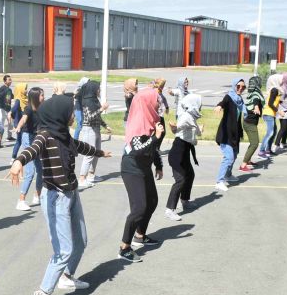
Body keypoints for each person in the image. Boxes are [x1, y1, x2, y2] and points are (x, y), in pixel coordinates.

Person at [9, 94, 111, 295]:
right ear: (59, 114)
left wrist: (100, 152)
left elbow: (80, 146)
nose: (73, 115)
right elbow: (32, 149)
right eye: (70, 112)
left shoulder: (64, 135)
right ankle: (42, 293)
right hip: (55, 197)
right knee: (64, 249)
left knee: (81, 241)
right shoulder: (45, 136)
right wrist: (19, 161)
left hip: (72, 193)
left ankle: (66, 276)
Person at [119, 87, 164, 263]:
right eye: (156, 100)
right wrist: (155, 137)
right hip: (132, 168)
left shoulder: (152, 118)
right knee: (139, 208)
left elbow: (154, 147)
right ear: (147, 102)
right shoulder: (139, 122)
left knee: (152, 201)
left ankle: (140, 235)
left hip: (144, 166)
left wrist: (158, 165)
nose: (158, 103)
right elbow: (137, 150)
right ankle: (124, 247)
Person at [165, 94, 202, 220]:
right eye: (199, 104)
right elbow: (177, 129)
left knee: (190, 175)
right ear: (193, 104)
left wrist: (199, 130)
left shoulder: (191, 117)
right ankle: (169, 209)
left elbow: (196, 133)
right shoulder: (186, 116)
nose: (200, 107)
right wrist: (173, 127)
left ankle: (185, 201)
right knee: (180, 179)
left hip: (185, 151)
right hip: (177, 153)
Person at [14, 87, 45, 211]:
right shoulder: (29, 108)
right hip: (28, 137)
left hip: (37, 138)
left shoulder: (42, 108)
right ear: (36, 97)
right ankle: (21, 200)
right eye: (42, 95)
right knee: (30, 171)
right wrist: (18, 126)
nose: (43, 97)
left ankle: (37, 195)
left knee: (41, 170)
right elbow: (24, 119)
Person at [213, 79, 246, 192]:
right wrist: (219, 106)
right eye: (238, 86)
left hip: (235, 133)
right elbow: (223, 102)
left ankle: (228, 175)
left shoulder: (240, 100)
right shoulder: (229, 97)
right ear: (234, 86)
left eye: (243, 87)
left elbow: (239, 117)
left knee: (234, 155)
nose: (240, 88)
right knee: (229, 157)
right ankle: (219, 181)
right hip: (226, 133)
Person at [78, 80, 108, 189]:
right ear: (93, 89)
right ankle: (82, 178)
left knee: (97, 153)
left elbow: (97, 117)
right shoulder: (87, 101)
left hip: (96, 129)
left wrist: (105, 125)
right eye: (98, 88)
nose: (99, 90)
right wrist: (102, 109)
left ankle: (91, 175)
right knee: (89, 154)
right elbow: (90, 117)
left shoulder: (95, 100)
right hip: (89, 129)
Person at [241, 76, 263, 171]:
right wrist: (257, 107)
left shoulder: (252, 93)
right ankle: (243, 165)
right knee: (255, 143)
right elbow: (255, 101)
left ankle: (248, 161)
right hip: (250, 124)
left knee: (252, 143)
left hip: (247, 122)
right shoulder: (255, 95)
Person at [259, 73, 281, 158]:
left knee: (274, 131)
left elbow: (275, 101)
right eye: (281, 80)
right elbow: (270, 103)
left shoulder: (276, 90)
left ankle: (268, 150)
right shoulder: (274, 90)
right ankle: (261, 151)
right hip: (268, 114)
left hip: (271, 114)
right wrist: (278, 111)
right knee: (270, 133)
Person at [273, 73, 287, 152]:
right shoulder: (282, 88)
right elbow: (280, 101)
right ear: (286, 79)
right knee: (283, 128)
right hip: (283, 111)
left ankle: (283, 142)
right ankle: (276, 145)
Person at [10, 83, 29, 160]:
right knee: (19, 141)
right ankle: (13, 157)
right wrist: (12, 116)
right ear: (21, 90)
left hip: (26, 123)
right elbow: (14, 109)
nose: (26, 90)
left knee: (22, 140)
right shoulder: (18, 100)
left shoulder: (26, 98)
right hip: (20, 124)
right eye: (25, 88)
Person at [0, 75, 15, 141]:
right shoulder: (2, 88)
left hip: (8, 108)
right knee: (1, 123)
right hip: (2, 108)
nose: (10, 81)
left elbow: (11, 96)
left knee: (11, 123)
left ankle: (9, 136)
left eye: (10, 80)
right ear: (5, 81)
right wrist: (5, 92)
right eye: (9, 80)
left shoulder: (9, 89)